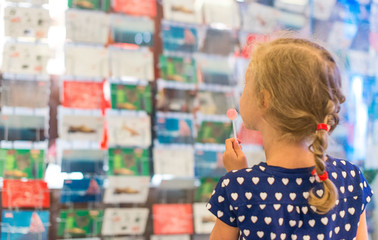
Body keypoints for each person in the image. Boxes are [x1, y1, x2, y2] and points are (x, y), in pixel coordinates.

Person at [207, 36, 374, 240]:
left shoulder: (237, 189)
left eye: (246, 85)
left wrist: (239, 181)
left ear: (264, 99)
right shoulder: (351, 179)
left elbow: (255, 200)